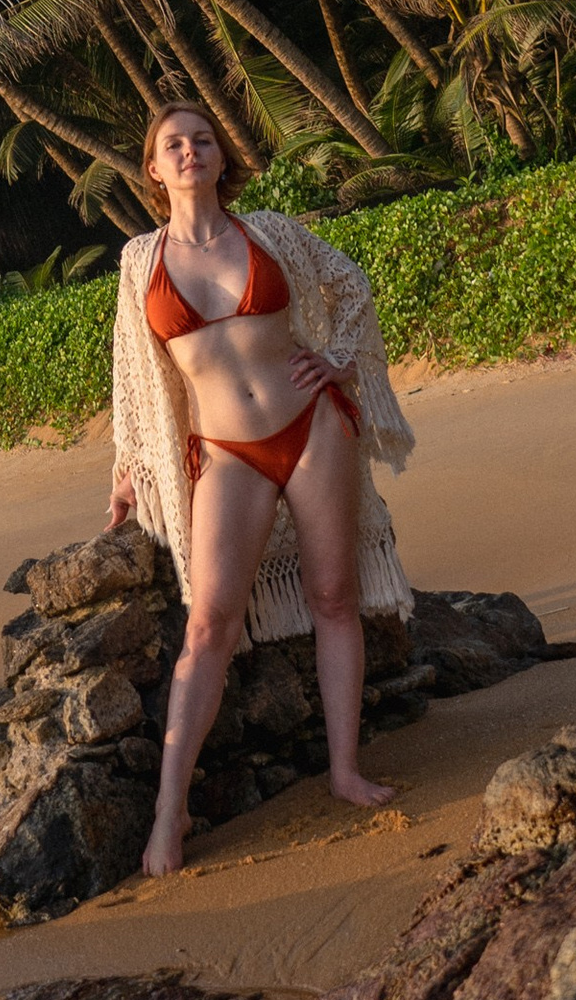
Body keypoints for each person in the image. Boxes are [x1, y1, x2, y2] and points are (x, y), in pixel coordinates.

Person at [105, 98, 416, 876]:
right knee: (209, 622)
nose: (189, 152)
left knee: (334, 597)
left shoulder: (270, 231)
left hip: (312, 426)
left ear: (220, 156)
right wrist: (128, 469)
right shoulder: (139, 260)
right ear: (153, 167)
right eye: (173, 144)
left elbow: (352, 286)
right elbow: (135, 380)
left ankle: (344, 771)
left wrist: (339, 361)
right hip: (227, 452)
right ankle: (168, 816)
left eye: (202, 140)